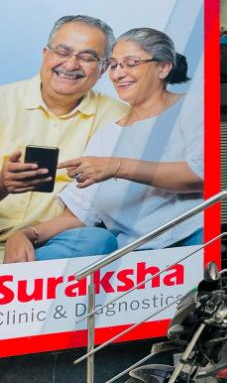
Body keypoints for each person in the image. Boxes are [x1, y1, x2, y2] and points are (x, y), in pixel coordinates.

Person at [4, 28, 203, 263]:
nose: (118, 74)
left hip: (193, 236)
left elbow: (202, 173)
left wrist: (117, 167)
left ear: (163, 67)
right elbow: (79, 214)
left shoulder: (194, 108)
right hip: (134, 254)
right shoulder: (107, 135)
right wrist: (25, 234)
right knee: (96, 239)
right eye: (114, 65)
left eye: (131, 63)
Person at [0, 15, 128, 262]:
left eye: (87, 57)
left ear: (103, 68)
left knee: (98, 240)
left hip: (49, 247)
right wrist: (3, 184)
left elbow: (103, 208)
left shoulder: (120, 119)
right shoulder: (3, 101)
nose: (70, 65)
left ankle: (19, 278)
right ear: (45, 54)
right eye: (62, 52)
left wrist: (29, 235)